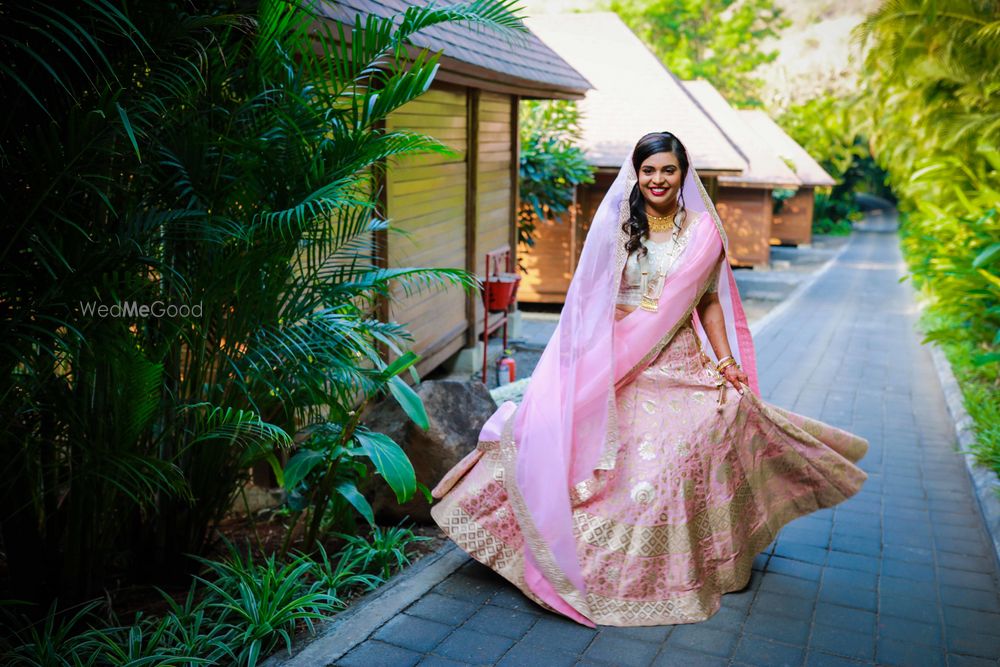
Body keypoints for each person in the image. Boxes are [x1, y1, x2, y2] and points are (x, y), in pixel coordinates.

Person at [431, 132, 868, 627]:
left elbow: (708, 304)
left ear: (684, 174)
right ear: (636, 175)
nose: (658, 180)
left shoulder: (704, 232)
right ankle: (553, 549)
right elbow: (589, 301)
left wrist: (725, 363)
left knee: (691, 446)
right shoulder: (618, 227)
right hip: (615, 360)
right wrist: (581, 362)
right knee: (578, 444)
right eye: (649, 171)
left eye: (668, 170)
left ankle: (702, 564)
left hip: (679, 364)